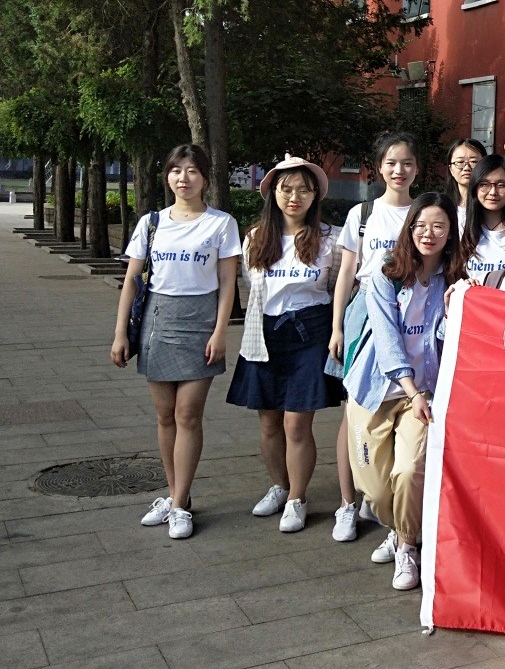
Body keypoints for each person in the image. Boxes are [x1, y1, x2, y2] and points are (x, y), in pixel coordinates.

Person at [111, 143, 241, 540]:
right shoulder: (151, 223)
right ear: (167, 176)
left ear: (205, 178)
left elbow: (227, 283)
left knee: (188, 415)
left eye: (192, 171)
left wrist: (220, 331)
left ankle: (181, 504)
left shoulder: (221, 224)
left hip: (201, 322)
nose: (183, 178)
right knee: (165, 416)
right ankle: (173, 494)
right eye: (176, 170)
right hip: (157, 321)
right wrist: (120, 333)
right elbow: (132, 282)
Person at [344, 192, 465, 591]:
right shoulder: (387, 273)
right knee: (377, 491)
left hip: (423, 395)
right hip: (376, 390)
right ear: (409, 228)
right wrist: (409, 389)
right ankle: (398, 529)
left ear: (450, 233)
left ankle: (407, 546)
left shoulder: (455, 281)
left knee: (410, 472)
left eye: (439, 226)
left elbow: (453, 338)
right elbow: (386, 339)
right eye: (421, 225)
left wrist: (454, 306)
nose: (429, 234)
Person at [227, 157, 343, 534]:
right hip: (265, 334)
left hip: (311, 333)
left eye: (304, 190)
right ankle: (279, 486)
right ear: (272, 193)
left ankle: (297, 497)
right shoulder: (256, 237)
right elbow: (253, 288)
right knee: (268, 422)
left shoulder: (332, 238)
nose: (295, 197)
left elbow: (339, 287)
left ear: (315, 195)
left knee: (296, 422)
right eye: (286, 189)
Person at [328, 131, 420, 546]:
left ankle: (381, 497)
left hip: (411, 313)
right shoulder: (363, 214)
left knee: (400, 407)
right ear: (379, 167)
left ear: (417, 169)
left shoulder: (424, 212)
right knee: (355, 410)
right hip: (364, 313)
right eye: (391, 163)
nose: (399, 170)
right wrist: (337, 327)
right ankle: (348, 502)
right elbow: (347, 273)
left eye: (407, 163)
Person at [460, 155, 505, 277]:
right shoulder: (461, 227)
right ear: (475, 187)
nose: (493, 192)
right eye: (484, 184)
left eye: (501, 185)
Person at [443, 138, 486, 229]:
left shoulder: (493, 206)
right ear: (450, 169)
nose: (466, 168)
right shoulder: (442, 207)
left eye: (474, 162)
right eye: (460, 162)